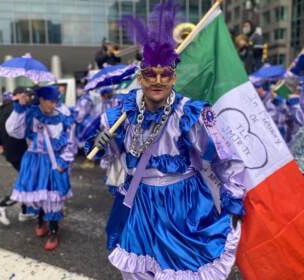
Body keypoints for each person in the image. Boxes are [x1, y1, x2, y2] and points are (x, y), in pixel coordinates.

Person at [85, 1, 246, 279]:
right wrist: (103, 144)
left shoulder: (189, 113)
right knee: (137, 271)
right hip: (138, 202)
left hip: (182, 205)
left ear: (174, 77)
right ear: (140, 76)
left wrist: (233, 200)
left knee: (181, 271)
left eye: (166, 74)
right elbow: (112, 161)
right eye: (150, 74)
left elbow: (223, 157)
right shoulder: (122, 112)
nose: (157, 80)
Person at [5, 86, 75, 251]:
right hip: (34, 161)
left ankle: (53, 231)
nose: (54, 105)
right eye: (50, 101)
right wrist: (20, 107)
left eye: (55, 101)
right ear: (41, 100)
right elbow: (13, 130)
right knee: (37, 195)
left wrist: (64, 162)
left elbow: (70, 143)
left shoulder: (62, 118)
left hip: (53, 162)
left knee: (52, 197)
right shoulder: (30, 114)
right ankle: (41, 221)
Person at [0, 87, 37, 226]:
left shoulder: (4, 108)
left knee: (30, 181)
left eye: (29, 95)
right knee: (29, 182)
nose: (28, 98)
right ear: (17, 95)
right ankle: (1, 205)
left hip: (14, 153)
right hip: (21, 152)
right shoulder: (17, 109)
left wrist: (0, 144)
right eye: (26, 95)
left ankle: (25, 211)